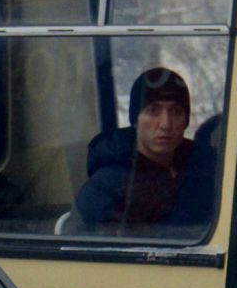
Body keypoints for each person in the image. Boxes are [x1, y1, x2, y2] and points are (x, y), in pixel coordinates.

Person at [75, 66, 218, 237]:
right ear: (135, 120)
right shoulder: (109, 185)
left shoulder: (206, 168)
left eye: (176, 111)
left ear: (185, 121)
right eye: (153, 111)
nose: (165, 123)